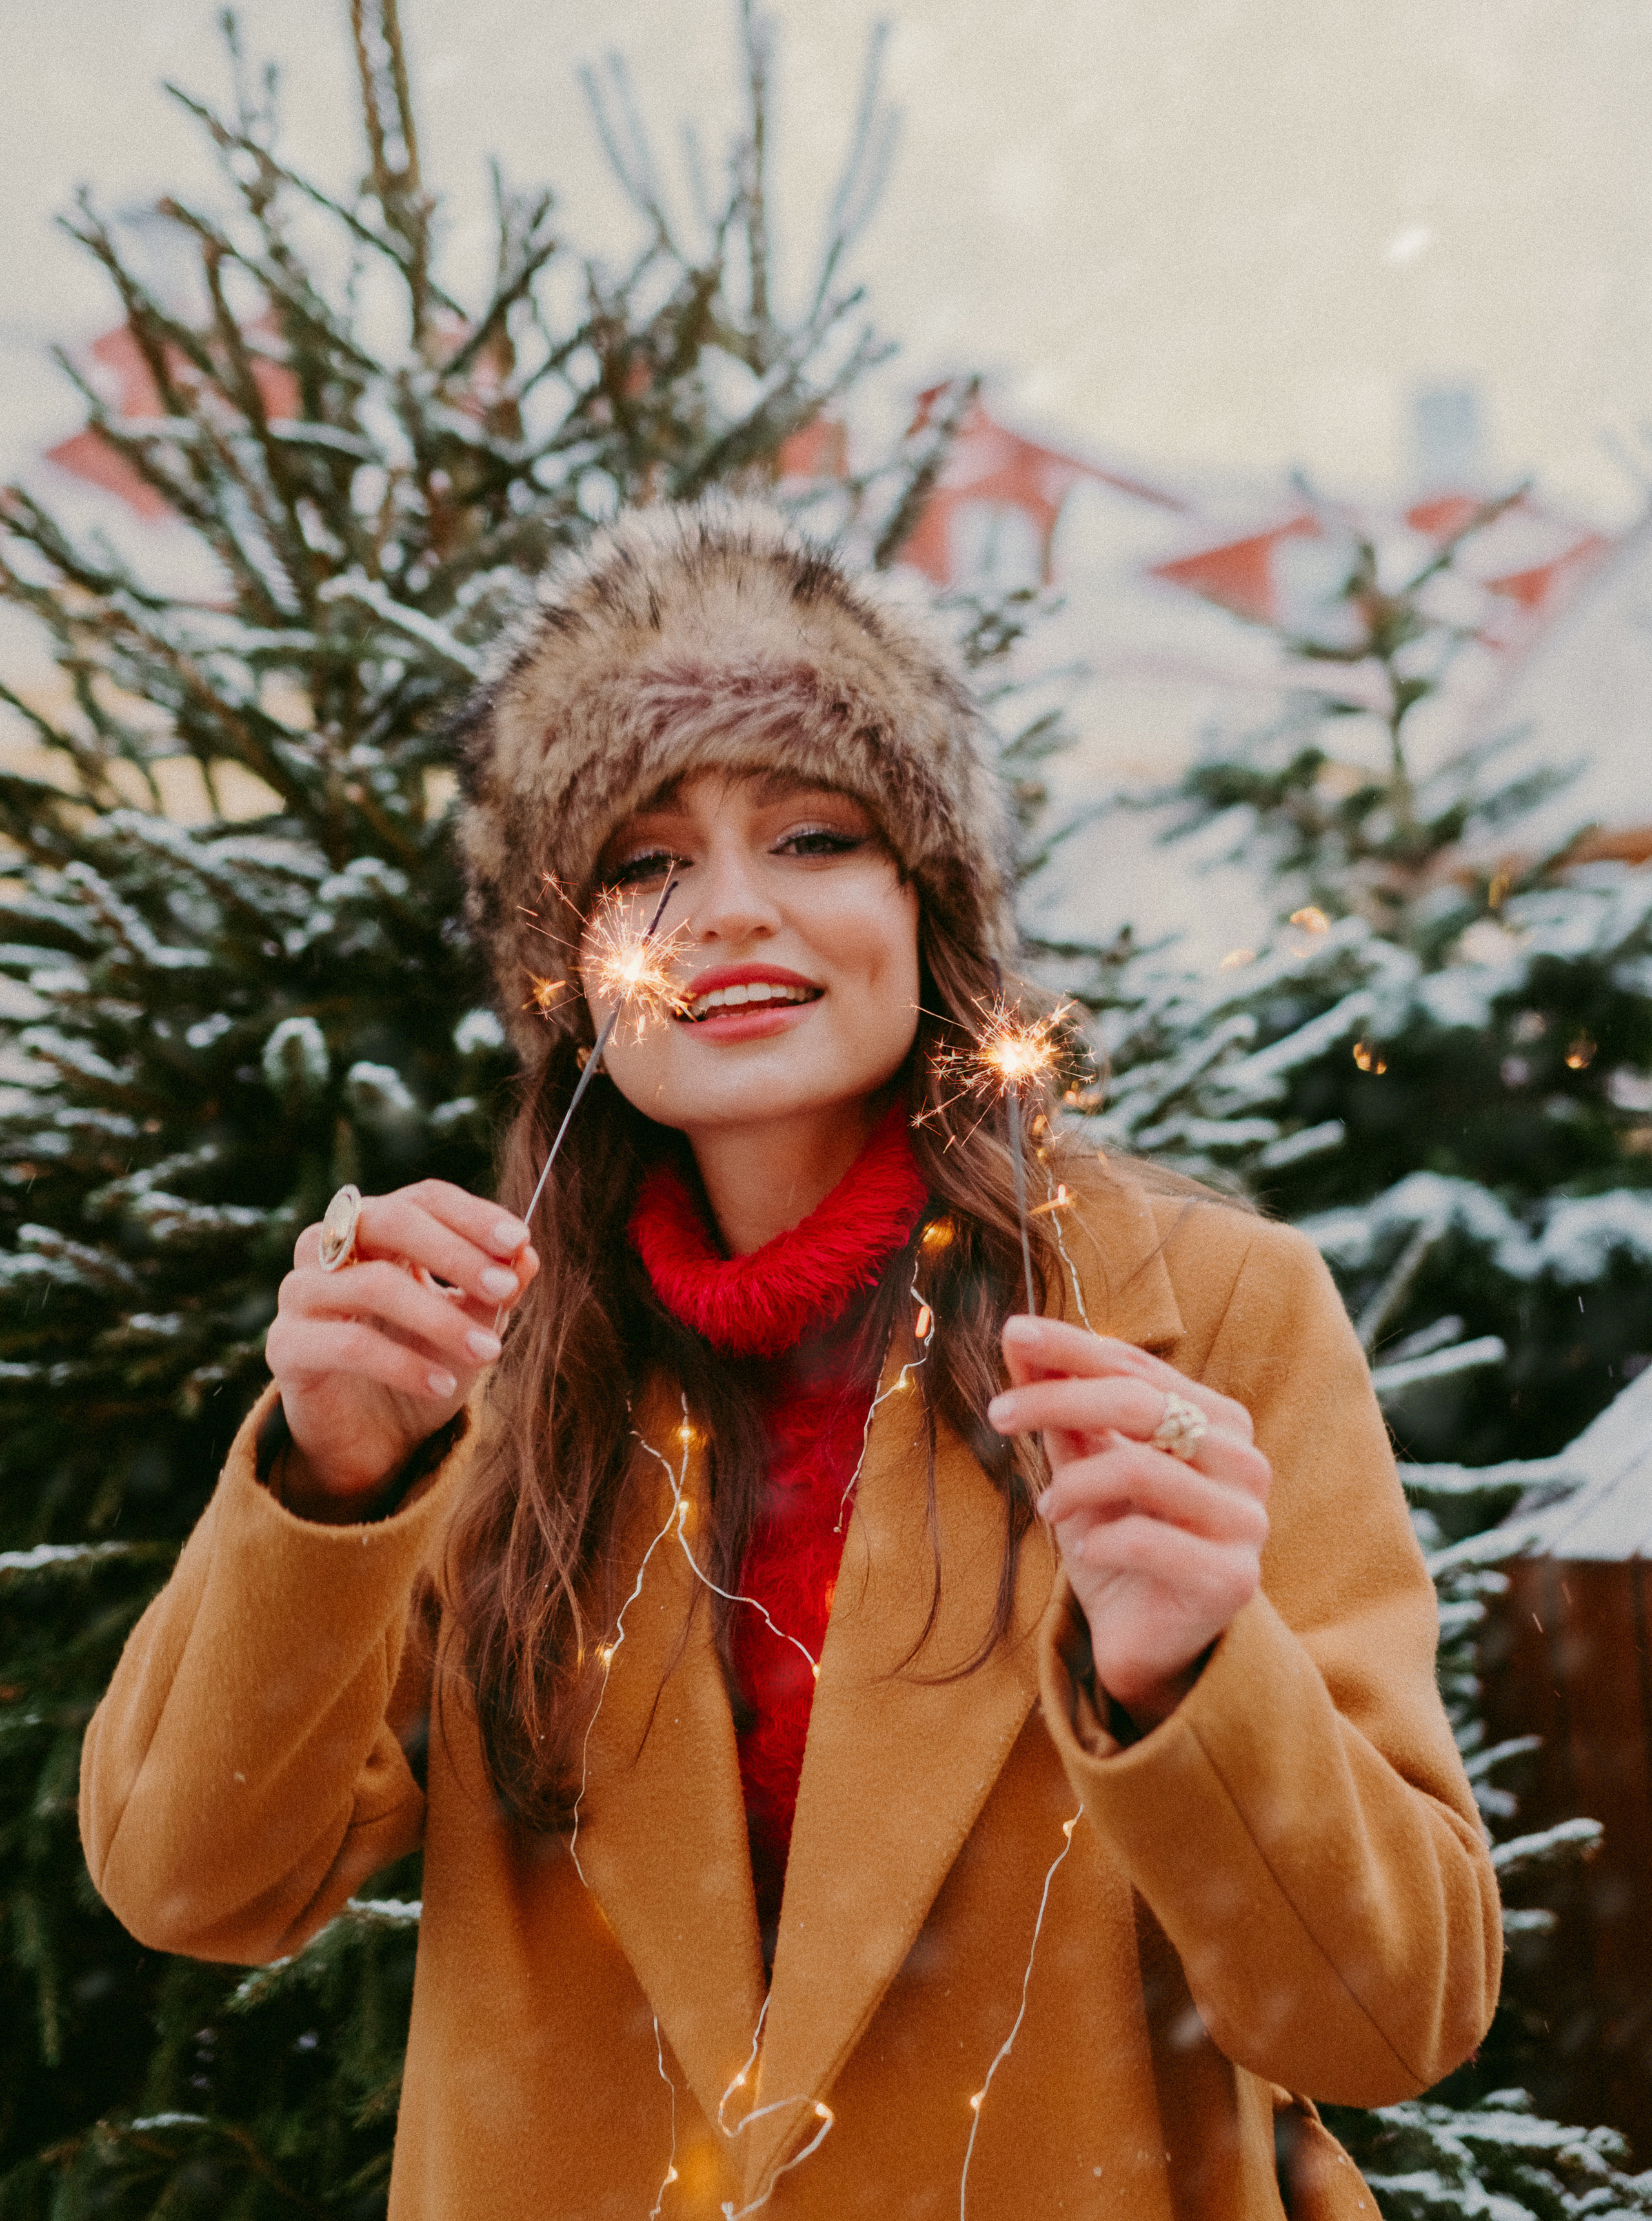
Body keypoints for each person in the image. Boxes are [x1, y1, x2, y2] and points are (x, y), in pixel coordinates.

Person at [80, 500, 1499, 2221]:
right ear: (565, 966)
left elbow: (1385, 2015)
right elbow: (194, 1881)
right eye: (640, 860)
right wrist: (333, 1483)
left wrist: (1201, 1675)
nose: (729, 912)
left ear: (932, 903)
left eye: (818, 835)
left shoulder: (1208, 1311)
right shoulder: (473, 1361)